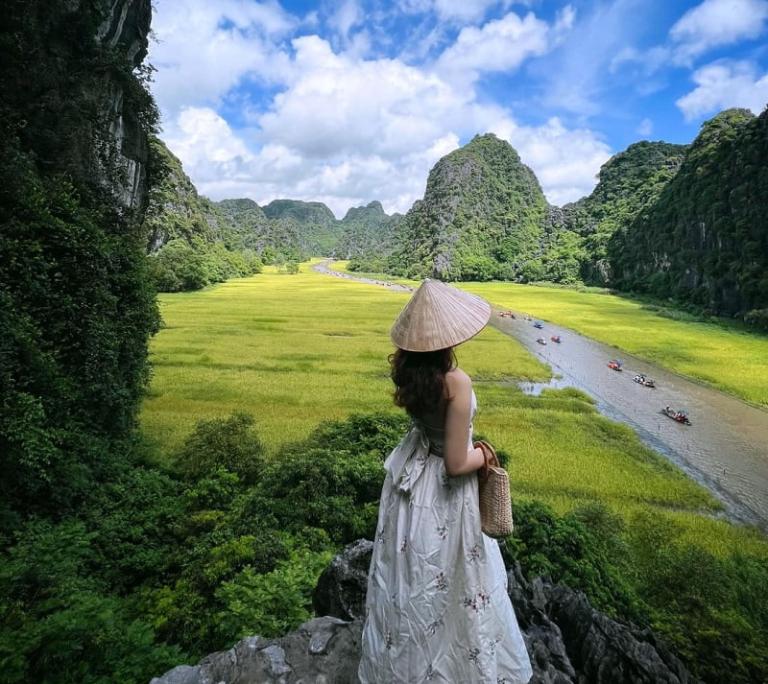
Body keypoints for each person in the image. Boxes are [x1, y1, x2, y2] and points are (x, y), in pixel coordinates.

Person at [358, 278, 533, 683]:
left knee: (411, 579)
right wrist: (485, 454)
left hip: (411, 483)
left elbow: (431, 435)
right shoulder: (457, 381)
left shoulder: (410, 375)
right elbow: (456, 462)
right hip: (445, 494)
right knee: (454, 582)